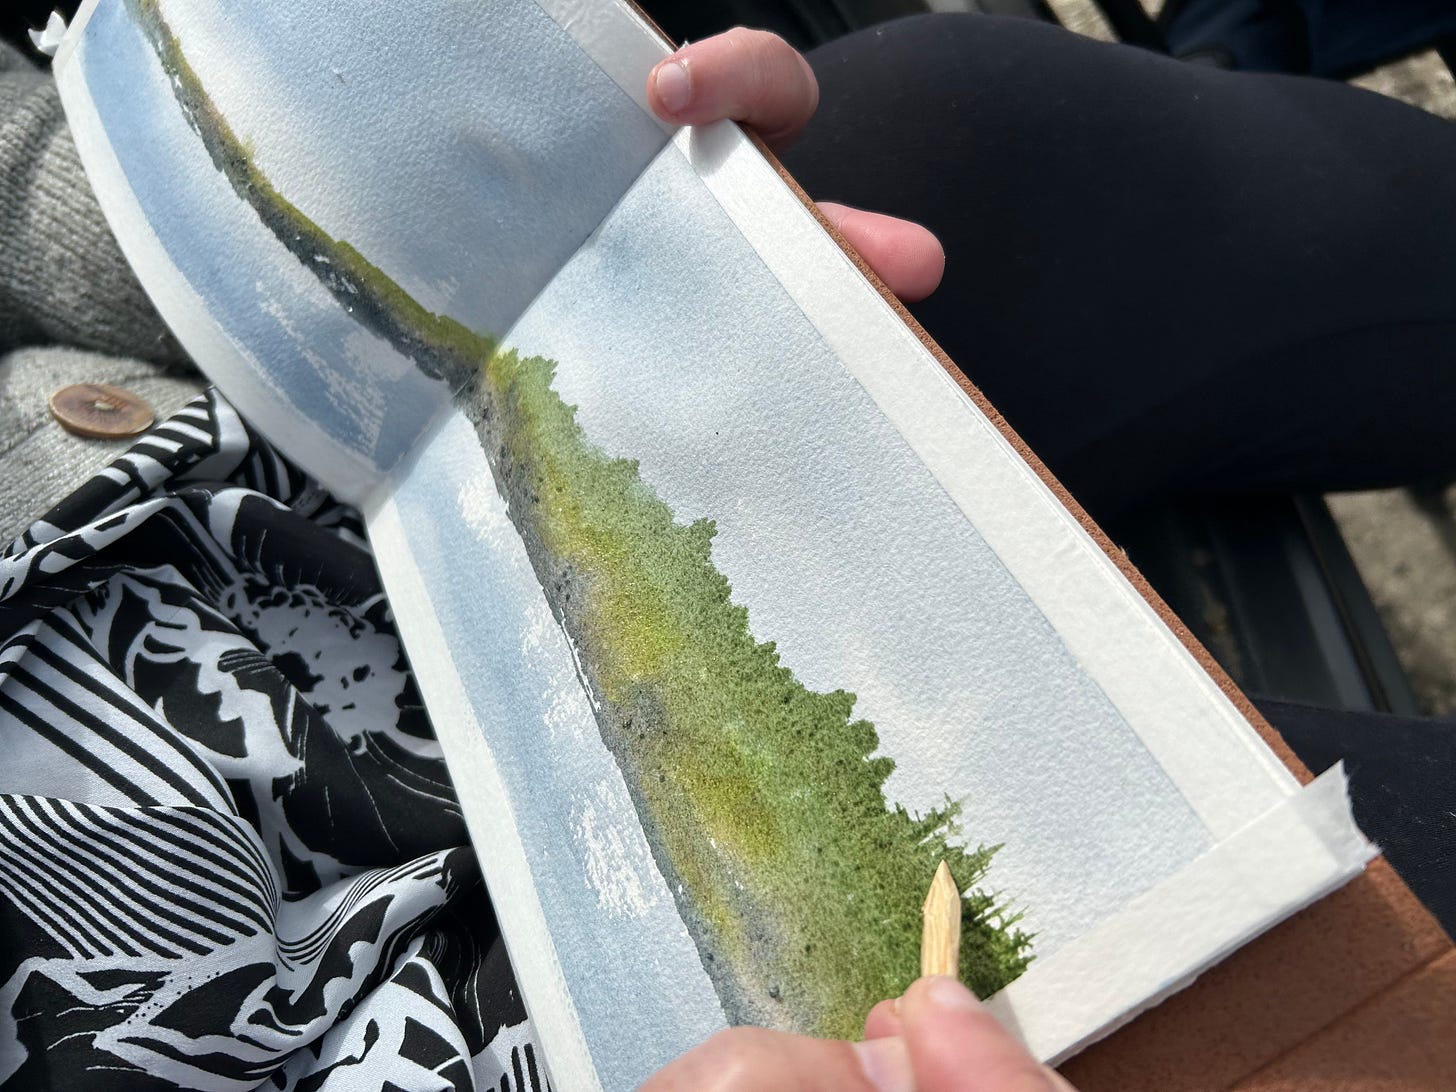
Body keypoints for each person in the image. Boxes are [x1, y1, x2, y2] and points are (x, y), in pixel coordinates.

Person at [1, 11, 1453, 1091]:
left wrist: (554, 215)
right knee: (1351, 936)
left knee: (977, 122)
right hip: (453, 1016)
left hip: (289, 459)